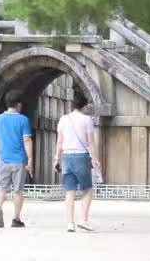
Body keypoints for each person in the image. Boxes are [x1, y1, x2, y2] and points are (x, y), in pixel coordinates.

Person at [55, 91, 100, 233]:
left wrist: (57, 158)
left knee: (70, 192)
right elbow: (90, 142)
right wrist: (95, 159)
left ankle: (70, 223)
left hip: (66, 157)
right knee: (87, 189)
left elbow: (59, 142)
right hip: (81, 156)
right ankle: (83, 219)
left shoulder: (63, 119)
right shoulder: (87, 120)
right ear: (84, 106)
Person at [0, 89, 32, 229]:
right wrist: (30, 159)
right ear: (19, 104)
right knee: (18, 190)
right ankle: (16, 219)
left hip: (2, 159)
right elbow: (27, 140)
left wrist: (0, 154)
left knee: (1, 188)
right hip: (18, 160)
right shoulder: (23, 119)